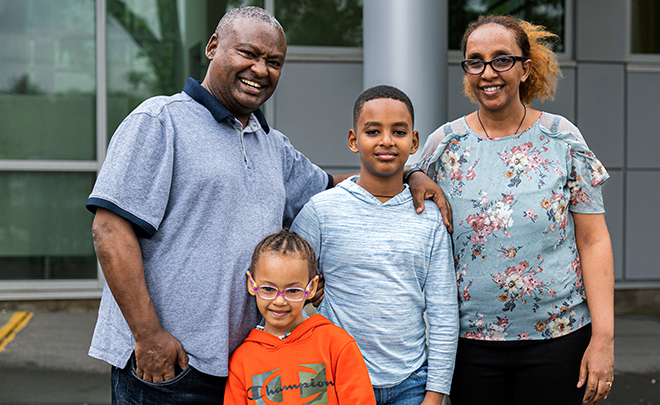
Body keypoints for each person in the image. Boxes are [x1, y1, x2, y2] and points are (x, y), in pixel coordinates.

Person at [86, 7, 449, 404]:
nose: (260, 69)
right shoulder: (160, 120)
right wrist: (148, 336)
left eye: (273, 62)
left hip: (244, 366)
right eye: (248, 53)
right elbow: (109, 230)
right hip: (169, 363)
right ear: (212, 47)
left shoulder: (271, 146)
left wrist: (409, 175)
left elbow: (342, 186)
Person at [407, 15, 615, 405]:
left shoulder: (562, 139)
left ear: (525, 68)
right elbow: (393, 180)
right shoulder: (443, 144)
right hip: (468, 344)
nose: (489, 72)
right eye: (476, 61)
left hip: (559, 338)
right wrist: (414, 175)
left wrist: (604, 337)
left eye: (502, 59)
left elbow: (593, 239)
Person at [291, 85, 459, 405]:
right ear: (354, 140)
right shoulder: (321, 211)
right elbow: (286, 283)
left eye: (398, 131)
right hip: (334, 378)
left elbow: (443, 312)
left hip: (411, 382)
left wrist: (435, 395)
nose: (386, 140)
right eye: (373, 131)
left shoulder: (430, 218)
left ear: (414, 142)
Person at [224, 229, 375, 404]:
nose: (279, 301)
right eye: (268, 289)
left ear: (311, 288)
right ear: (252, 284)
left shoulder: (336, 344)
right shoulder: (242, 361)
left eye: (293, 290)